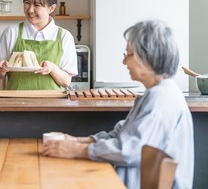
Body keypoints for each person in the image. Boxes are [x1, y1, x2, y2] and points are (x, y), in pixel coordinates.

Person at [42, 20, 194, 189]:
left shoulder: (161, 99)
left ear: (148, 57)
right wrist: (78, 141)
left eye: (128, 55)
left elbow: (129, 149)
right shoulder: (156, 93)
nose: (124, 62)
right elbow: (123, 134)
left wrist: (75, 150)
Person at [0, 0, 77, 90]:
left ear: (51, 8)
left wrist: (53, 69)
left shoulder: (64, 36)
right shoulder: (11, 32)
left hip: (52, 105)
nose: (30, 10)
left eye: (37, 5)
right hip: (15, 103)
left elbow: (66, 81)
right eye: (27, 3)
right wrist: (0, 69)